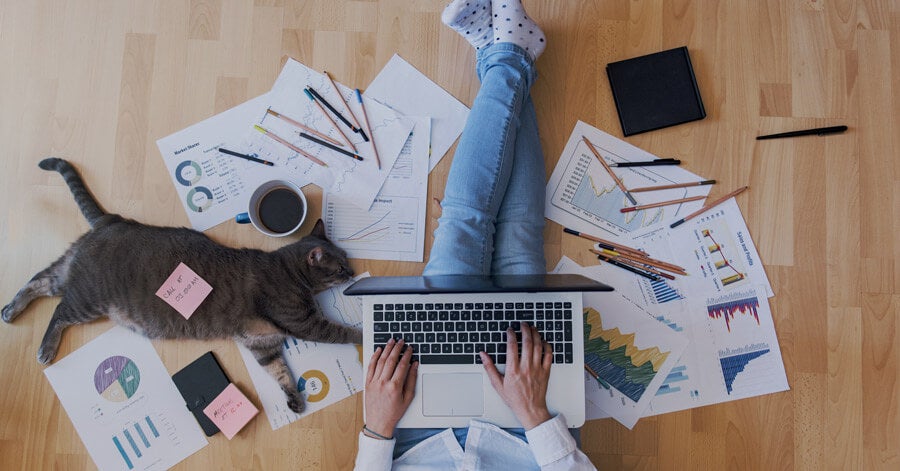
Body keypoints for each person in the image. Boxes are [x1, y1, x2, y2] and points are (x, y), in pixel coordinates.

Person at [354, 1, 596, 469]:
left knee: (466, 225)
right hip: (526, 433)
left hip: (414, 431)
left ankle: (506, 54)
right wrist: (535, 416)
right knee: (518, 236)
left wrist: (375, 430)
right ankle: (506, 54)